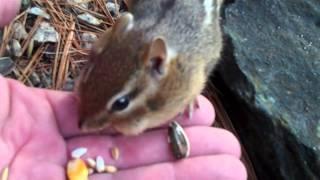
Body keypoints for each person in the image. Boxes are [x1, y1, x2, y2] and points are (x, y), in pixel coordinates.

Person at [0, 1, 247, 179]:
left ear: (159, 64)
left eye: (120, 104)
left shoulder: (182, 71)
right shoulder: (118, 37)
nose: (83, 124)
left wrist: (190, 96)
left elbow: (210, 54)